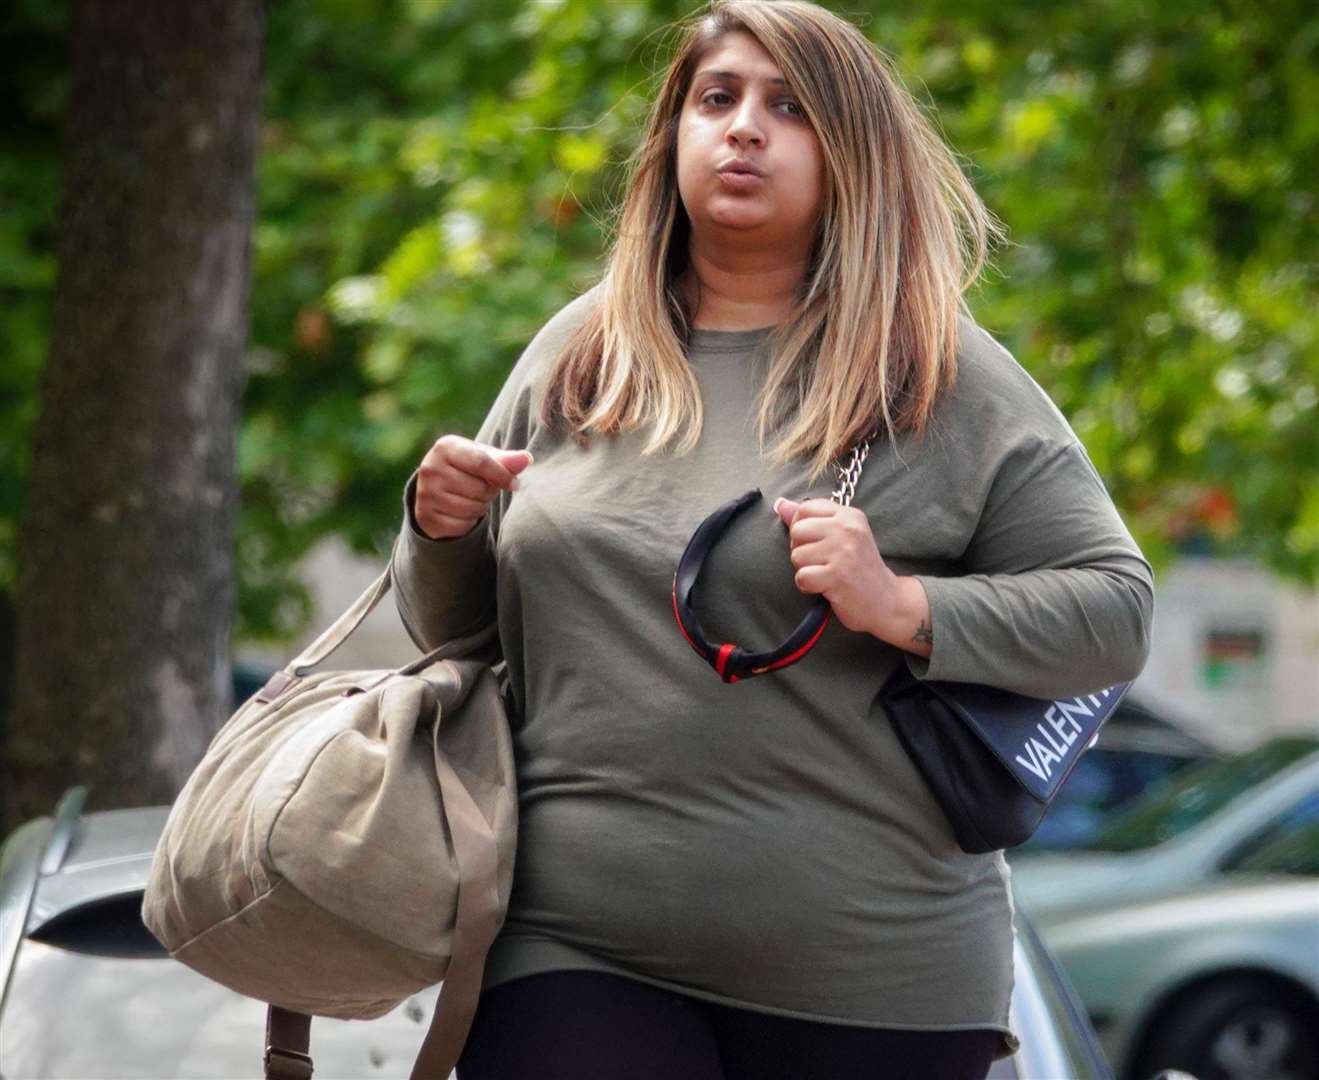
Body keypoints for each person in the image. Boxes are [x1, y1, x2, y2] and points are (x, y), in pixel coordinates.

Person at [391, 2, 1154, 1077]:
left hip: (874, 980)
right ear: (671, 141)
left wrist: (902, 606)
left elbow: (1114, 611)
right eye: (716, 100)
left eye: (787, 108)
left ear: (849, 157)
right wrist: (438, 529)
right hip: (569, 944)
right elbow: (460, 631)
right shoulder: (581, 352)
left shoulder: (936, 371)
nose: (742, 128)